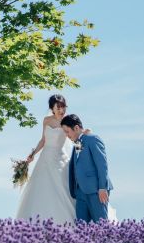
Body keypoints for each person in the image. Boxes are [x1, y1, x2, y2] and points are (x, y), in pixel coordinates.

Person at [15, 94, 76, 223]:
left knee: (61, 190)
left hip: (59, 160)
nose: (61, 110)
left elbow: (74, 137)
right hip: (45, 159)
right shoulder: (46, 120)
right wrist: (32, 154)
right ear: (52, 108)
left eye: (63, 107)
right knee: (41, 190)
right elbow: (43, 140)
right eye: (58, 107)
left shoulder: (68, 121)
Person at [61, 113, 114, 222]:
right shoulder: (77, 143)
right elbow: (79, 163)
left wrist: (102, 187)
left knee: (101, 226)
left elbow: (102, 165)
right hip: (80, 193)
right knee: (81, 228)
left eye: (67, 131)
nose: (67, 135)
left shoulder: (93, 139)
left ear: (76, 128)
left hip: (96, 191)